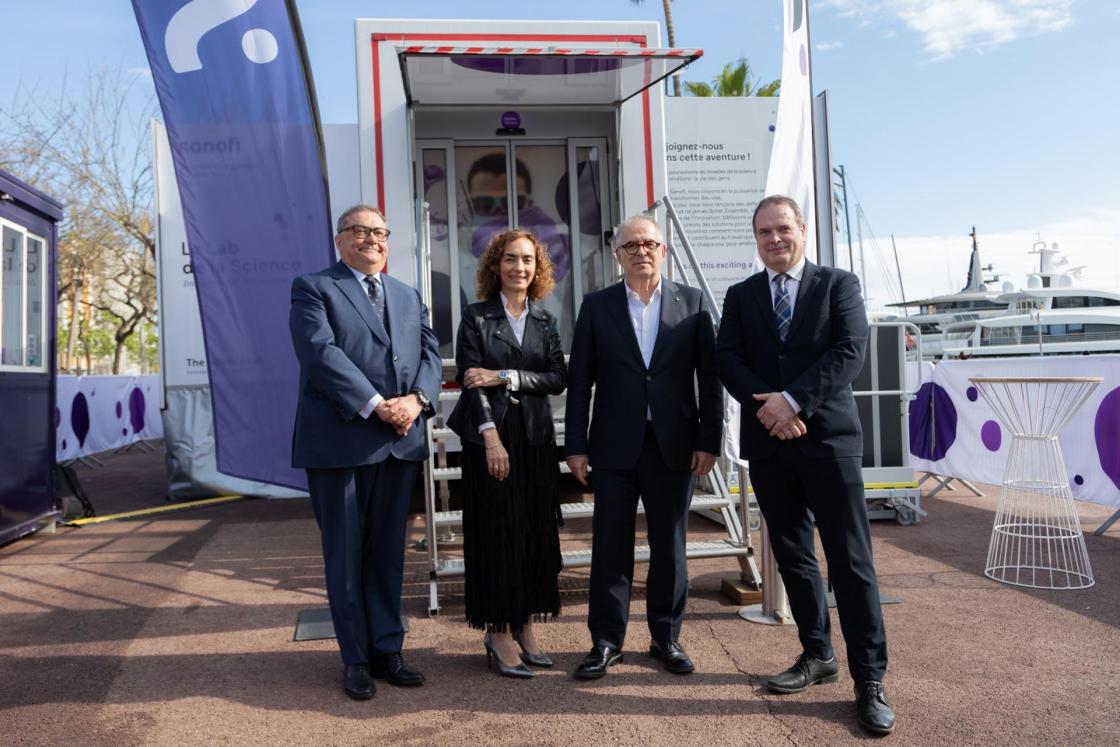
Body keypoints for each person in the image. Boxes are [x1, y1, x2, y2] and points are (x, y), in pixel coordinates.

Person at [715, 195, 896, 735]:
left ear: (802, 229)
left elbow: (849, 351)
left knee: (850, 561)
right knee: (794, 557)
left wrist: (791, 401)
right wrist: (769, 408)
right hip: (771, 444)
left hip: (828, 442)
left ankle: (869, 680)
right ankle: (817, 654)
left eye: (782, 229)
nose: (774, 239)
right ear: (756, 238)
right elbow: (728, 358)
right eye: (764, 232)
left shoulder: (838, 285)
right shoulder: (742, 294)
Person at [289, 204, 441, 700]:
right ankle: (355, 658)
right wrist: (377, 405)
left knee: (387, 556)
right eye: (359, 231)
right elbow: (320, 352)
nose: (371, 239)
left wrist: (417, 400)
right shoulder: (313, 288)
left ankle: (388, 649)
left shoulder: (406, 293)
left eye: (379, 232)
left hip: (399, 445)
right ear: (339, 240)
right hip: (342, 443)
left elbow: (429, 353)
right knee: (346, 556)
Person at [565, 214, 722, 679]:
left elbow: (708, 381)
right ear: (618, 255)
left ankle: (665, 638)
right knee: (609, 548)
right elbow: (580, 384)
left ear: (663, 251)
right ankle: (607, 642)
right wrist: (576, 446)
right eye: (630, 245)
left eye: (649, 243)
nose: (641, 251)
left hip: (674, 447)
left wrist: (708, 440)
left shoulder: (692, 304)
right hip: (613, 448)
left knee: (669, 548)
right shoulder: (597, 306)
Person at [446, 228, 567, 679]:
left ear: (538, 269)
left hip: (534, 441)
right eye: (511, 259)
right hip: (488, 442)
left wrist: (508, 376)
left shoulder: (546, 321)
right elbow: (469, 381)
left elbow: (557, 378)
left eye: (528, 260)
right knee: (497, 536)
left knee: (534, 535)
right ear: (495, 265)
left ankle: (526, 626)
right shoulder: (476, 317)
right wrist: (491, 437)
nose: (520, 267)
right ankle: (498, 631)